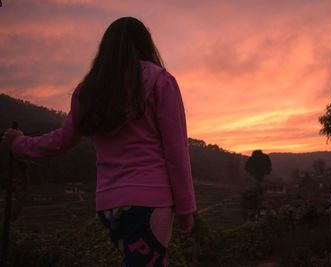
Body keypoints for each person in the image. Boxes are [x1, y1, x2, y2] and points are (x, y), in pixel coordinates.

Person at [1, 16, 196, 267]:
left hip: (109, 207)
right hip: (151, 203)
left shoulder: (90, 91)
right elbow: (176, 151)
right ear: (145, 44)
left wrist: (19, 144)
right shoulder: (161, 81)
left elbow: (61, 140)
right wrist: (186, 206)